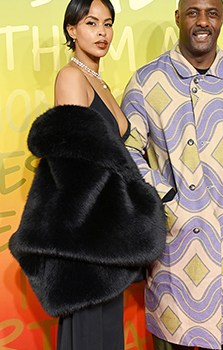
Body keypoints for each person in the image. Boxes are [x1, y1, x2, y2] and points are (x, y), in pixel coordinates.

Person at [121, 0, 223, 349]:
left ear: (222, 18)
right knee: (168, 339)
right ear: (178, 17)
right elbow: (128, 149)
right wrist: (162, 197)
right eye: (193, 12)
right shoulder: (147, 80)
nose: (202, 21)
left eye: (211, 12)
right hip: (172, 245)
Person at [8, 1, 167, 349]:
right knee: (91, 335)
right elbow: (77, 166)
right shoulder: (71, 77)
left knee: (104, 334)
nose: (102, 32)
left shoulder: (101, 83)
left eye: (107, 24)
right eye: (91, 23)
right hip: (89, 241)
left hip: (106, 235)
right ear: (72, 30)